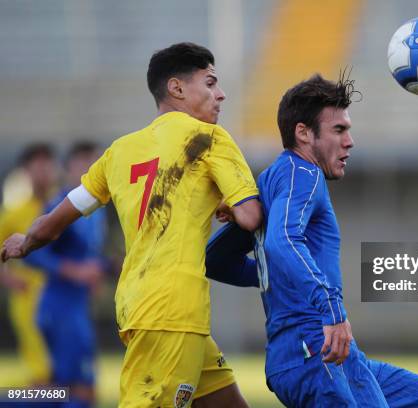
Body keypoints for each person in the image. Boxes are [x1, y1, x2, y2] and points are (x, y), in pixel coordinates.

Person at [2, 42, 261, 408]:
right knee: (72, 394)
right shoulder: (209, 138)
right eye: (210, 82)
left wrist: (23, 243)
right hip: (172, 311)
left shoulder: (119, 151)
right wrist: (236, 208)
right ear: (177, 87)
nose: (221, 94)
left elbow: (55, 221)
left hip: (139, 304)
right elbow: (251, 216)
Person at [206, 74, 418, 407]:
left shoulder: (272, 180)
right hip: (313, 349)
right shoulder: (304, 174)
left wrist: (278, 275)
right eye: (338, 130)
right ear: (303, 133)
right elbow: (282, 239)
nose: (350, 141)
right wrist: (332, 310)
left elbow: (217, 260)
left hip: (320, 352)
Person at [24, 142, 108, 408]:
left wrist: (99, 269)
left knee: (63, 390)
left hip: (76, 308)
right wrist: (73, 271)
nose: (87, 170)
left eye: (93, 165)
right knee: (81, 392)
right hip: (60, 309)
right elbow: (33, 252)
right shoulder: (59, 205)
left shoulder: (96, 209)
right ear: (67, 168)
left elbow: (87, 255)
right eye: (82, 164)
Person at [0, 143, 56, 386]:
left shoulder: (61, 207)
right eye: (37, 165)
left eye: (47, 164)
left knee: (68, 370)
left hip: (61, 295)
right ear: (25, 171)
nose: (43, 171)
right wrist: (10, 280)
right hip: (28, 298)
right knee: (41, 371)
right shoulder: (14, 213)